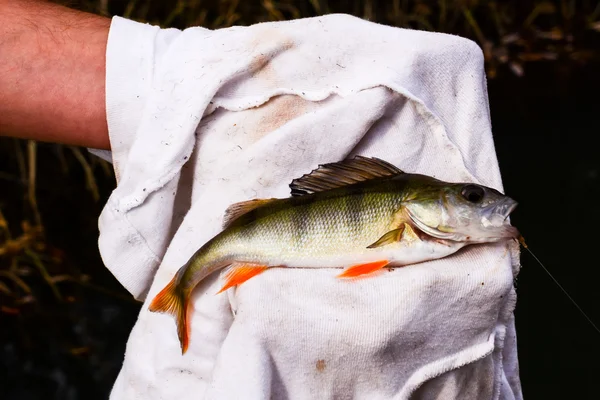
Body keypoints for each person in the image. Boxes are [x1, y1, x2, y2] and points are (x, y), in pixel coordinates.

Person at [0, 1, 523, 399]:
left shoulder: (425, 225)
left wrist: (171, 77)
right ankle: (182, 290)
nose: (482, 204)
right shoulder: (409, 217)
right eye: (469, 196)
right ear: (426, 203)